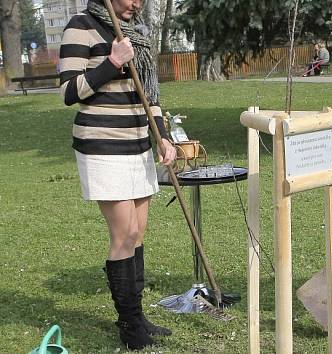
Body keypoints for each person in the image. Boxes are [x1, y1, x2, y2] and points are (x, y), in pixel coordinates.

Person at [59, 0, 176, 349]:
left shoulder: (137, 34)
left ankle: (137, 316)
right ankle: (128, 325)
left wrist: (162, 134)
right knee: (124, 235)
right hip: (103, 145)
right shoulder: (81, 26)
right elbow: (68, 91)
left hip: (138, 143)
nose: (137, 3)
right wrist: (112, 63)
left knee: (138, 233)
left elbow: (149, 95)